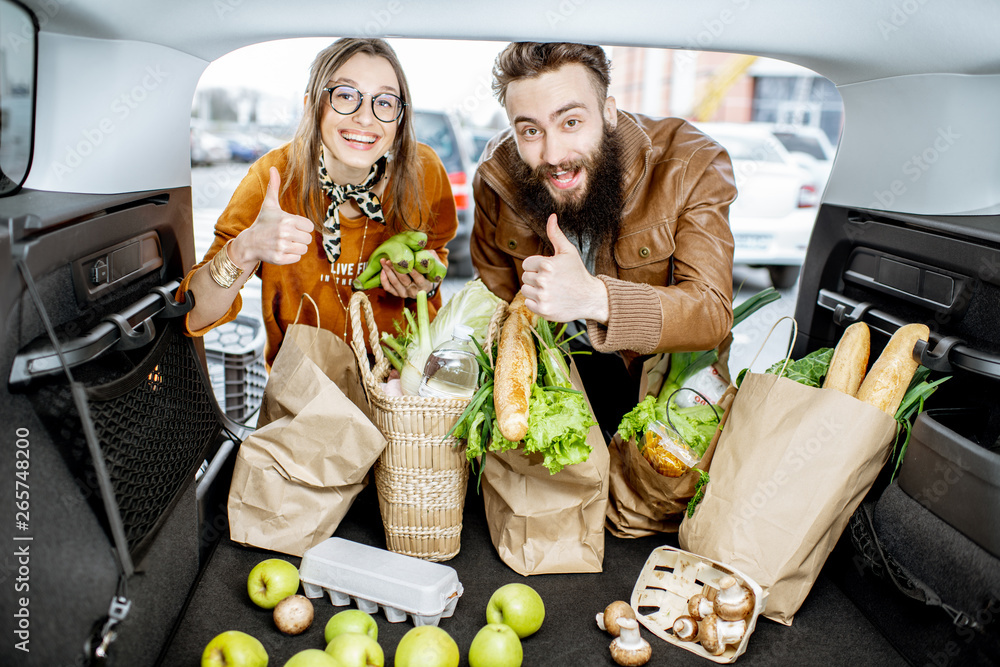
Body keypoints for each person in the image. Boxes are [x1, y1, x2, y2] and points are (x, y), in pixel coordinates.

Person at [470, 42, 737, 439]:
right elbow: (500, 304)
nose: (553, 154)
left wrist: (594, 298)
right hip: (558, 381)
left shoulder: (690, 163)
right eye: (530, 130)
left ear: (608, 113)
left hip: (664, 388)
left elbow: (711, 313)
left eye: (571, 122)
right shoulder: (496, 176)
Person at [179, 38, 458, 367]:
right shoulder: (274, 177)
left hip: (401, 391)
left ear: (399, 116)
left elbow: (436, 258)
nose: (365, 118)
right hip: (304, 396)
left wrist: (424, 282)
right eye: (345, 95)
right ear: (312, 105)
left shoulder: (424, 171)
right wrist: (244, 250)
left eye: (384, 102)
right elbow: (196, 316)